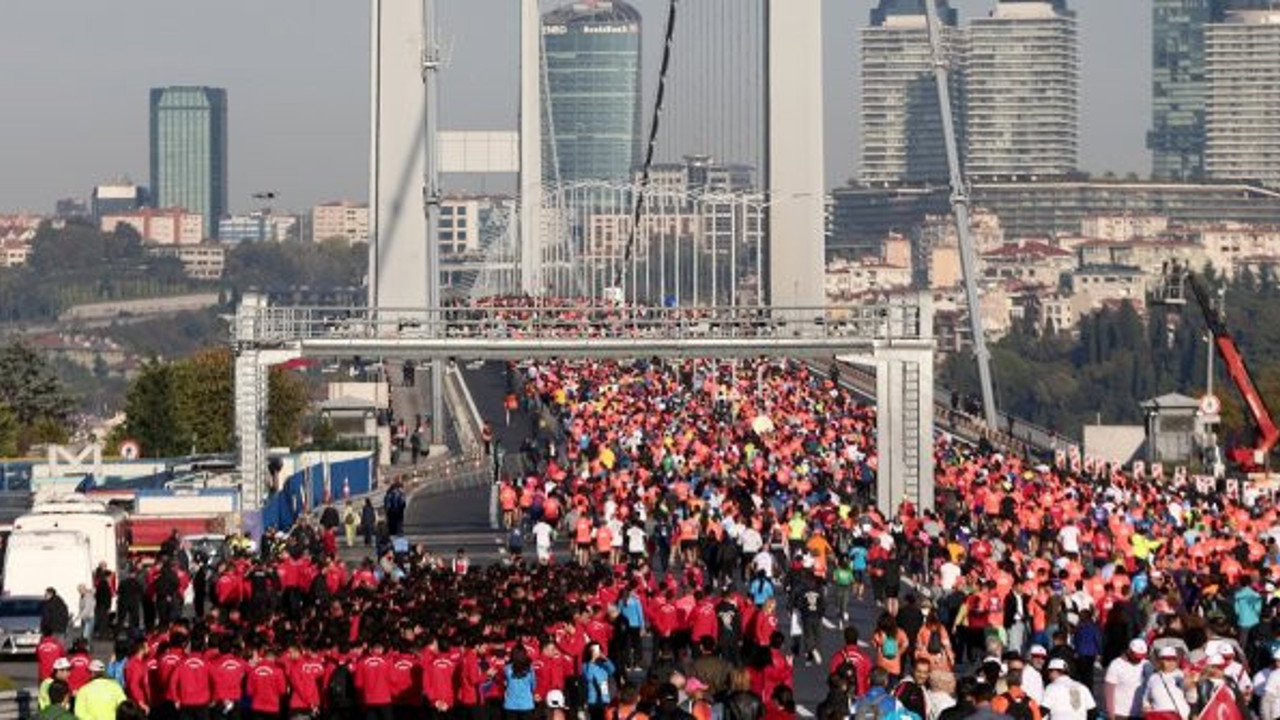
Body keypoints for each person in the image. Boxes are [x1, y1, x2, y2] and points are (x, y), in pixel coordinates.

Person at [1104, 639, 1152, 720]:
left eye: (1141, 656)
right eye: (1136, 656)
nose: (1139, 659)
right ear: (1129, 651)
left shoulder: (1147, 665)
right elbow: (1109, 692)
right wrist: (1111, 714)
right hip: (1121, 714)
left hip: (1141, 713)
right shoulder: (1116, 664)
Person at [1142, 646, 1192, 720]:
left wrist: (1190, 684)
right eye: (1167, 659)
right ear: (1160, 660)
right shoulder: (1153, 678)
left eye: (1174, 659)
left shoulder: (1181, 675)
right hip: (1159, 717)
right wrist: (1146, 707)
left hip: (1179, 717)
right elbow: (1146, 698)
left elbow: (1191, 697)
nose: (1171, 662)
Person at [504, 646, 537, 720]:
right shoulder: (530, 668)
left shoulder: (507, 668)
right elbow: (533, 684)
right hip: (526, 704)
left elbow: (506, 683)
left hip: (511, 704)